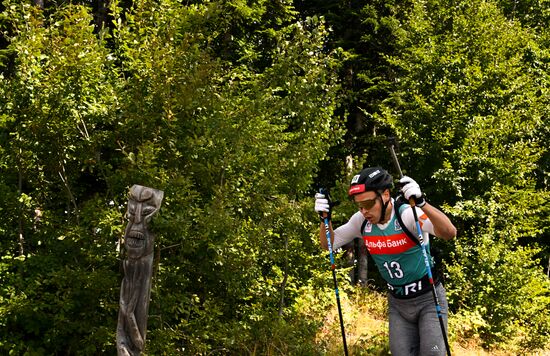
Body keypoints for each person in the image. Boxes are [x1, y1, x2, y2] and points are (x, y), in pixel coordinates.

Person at [315, 166, 456, 356]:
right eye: (359, 205)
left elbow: (449, 233)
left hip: (428, 299)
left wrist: (422, 203)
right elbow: (329, 245)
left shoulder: (407, 215)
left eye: (368, 203)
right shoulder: (361, 221)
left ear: (386, 194)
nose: (364, 211)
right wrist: (325, 219)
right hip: (398, 304)